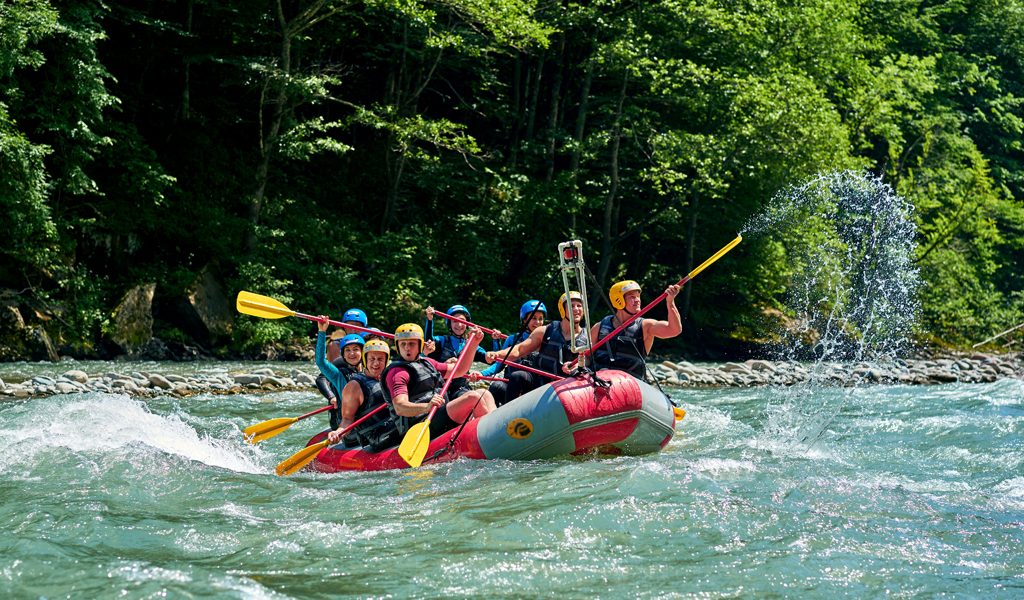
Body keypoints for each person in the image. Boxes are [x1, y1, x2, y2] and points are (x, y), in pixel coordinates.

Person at [382, 323, 496, 439]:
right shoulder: (396, 373)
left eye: (411, 343)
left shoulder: (428, 363)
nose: (407, 348)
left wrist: (473, 344)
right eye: (403, 344)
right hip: (420, 422)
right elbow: (400, 407)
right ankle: (493, 436)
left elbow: (460, 370)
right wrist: (426, 407)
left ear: (420, 345)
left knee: (483, 393)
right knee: (472, 398)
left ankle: (498, 429)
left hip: (438, 413)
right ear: (397, 346)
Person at [484, 292, 588, 402]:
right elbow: (519, 350)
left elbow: (589, 362)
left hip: (564, 386)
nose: (576, 309)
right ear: (563, 310)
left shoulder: (587, 337)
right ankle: (508, 415)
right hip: (538, 382)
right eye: (571, 306)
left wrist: (576, 366)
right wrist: (497, 354)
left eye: (579, 306)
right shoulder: (545, 330)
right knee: (517, 376)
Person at [589, 280, 682, 379]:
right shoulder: (599, 327)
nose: (637, 300)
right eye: (632, 297)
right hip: (600, 379)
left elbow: (674, 330)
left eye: (638, 296)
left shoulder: (646, 326)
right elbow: (586, 356)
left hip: (630, 384)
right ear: (618, 300)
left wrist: (670, 302)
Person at [326, 339, 399, 450]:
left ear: (386, 361)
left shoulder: (389, 378)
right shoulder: (354, 386)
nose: (376, 363)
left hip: (393, 425)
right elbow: (347, 419)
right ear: (365, 360)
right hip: (376, 436)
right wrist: (338, 432)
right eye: (372, 359)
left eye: (380, 359)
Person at [472, 300, 546, 406]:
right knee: (497, 386)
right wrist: (482, 374)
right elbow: (499, 365)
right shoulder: (513, 339)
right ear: (525, 320)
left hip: (533, 385)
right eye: (534, 318)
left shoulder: (546, 341)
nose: (538, 322)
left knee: (519, 376)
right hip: (512, 384)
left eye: (540, 319)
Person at [423, 304, 496, 398]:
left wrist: (496, 340)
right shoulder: (441, 341)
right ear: (449, 323)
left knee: (475, 396)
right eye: (455, 321)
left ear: (467, 324)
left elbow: (493, 361)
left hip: (461, 388)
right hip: (440, 387)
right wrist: (429, 320)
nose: (459, 325)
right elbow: (429, 342)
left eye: (462, 321)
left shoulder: (471, 345)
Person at [314, 319, 364, 429]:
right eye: (347, 350)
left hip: (368, 420)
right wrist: (322, 331)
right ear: (343, 355)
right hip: (350, 425)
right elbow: (320, 362)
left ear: (362, 352)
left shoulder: (370, 370)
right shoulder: (338, 376)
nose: (351, 353)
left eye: (355, 349)